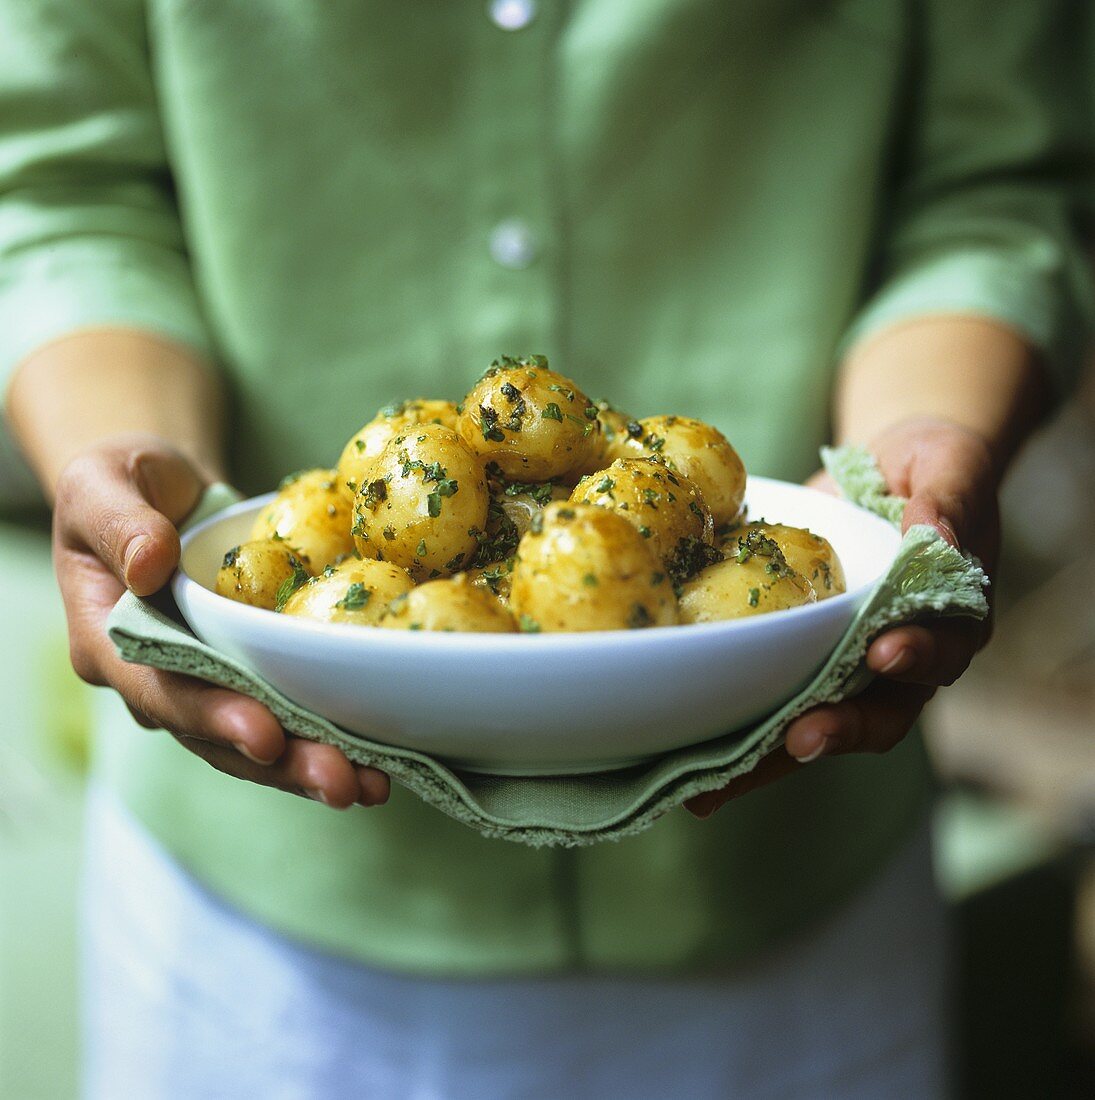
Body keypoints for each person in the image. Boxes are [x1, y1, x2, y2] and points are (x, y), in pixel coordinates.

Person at [1, 1, 1090, 1095]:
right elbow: (67, 183)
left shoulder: (667, 502)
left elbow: (996, 182)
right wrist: (119, 457)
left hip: (789, 898)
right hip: (264, 943)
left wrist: (920, 450)